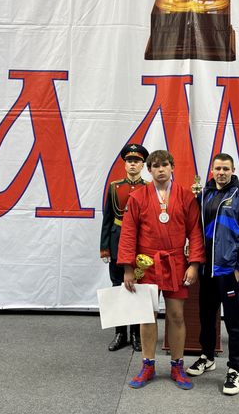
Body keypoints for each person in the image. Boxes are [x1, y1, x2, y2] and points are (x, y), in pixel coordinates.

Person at [118, 150, 205, 390]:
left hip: (175, 263)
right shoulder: (137, 197)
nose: (160, 169)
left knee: (176, 315)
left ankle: (177, 366)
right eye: (155, 166)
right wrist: (128, 268)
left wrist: (194, 264)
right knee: (147, 316)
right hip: (146, 264)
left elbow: (195, 232)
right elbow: (128, 234)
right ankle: (148, 365)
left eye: (164, 165)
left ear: (172, 167)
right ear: (149, 170)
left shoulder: (185, 196)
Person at [187, 153, 239, 396]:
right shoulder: (204, 194)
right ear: (212, 170)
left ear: (233, 171)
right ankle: (207, 357)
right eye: (218, 168)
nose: (221, 173)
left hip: (229, 271)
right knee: (206, 316)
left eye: (226, 169)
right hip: (207, 269)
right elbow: (194, 228)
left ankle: (235, 369)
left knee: (235, 322)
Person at [100, 143, 149, 352]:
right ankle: (120, 333)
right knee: (117, 286)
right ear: (125, 164)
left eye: (137, 161)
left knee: (137, 287)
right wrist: (104, 247)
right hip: (117, 240)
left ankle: (137, 333)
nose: (133, 164)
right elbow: (107, 218)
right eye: (129, 161)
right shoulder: (114, 187)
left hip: (140, 242)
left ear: (143, 165)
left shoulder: (148, 187)